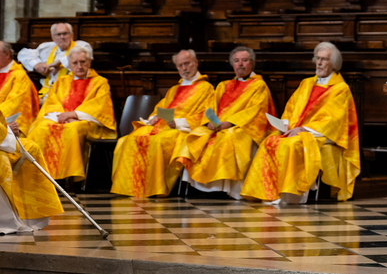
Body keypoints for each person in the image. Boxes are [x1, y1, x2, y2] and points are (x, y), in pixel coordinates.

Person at [242, 42, 360, 204]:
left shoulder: (340, 88)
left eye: (324, 59)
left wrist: (304, 129)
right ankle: (266, 191)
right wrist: (284, 125)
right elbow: (291, 108)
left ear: (334, 63)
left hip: (323, 134)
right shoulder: (306, 83)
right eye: (317, 58)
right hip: (297, 131)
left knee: (292, 145)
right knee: (269, 141)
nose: (319, 63)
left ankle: (289, 193)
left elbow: (334, 120)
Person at [174, 46, 275, 199]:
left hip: (242, 127)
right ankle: (196, 187)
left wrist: (230, 123)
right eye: (236, 61)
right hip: (218, 126)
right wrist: (209, 122)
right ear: (232, 64)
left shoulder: (259, 86)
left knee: (227, 139)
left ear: (252, 63)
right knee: (195, 136)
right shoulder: (223, 85)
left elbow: (257, 111)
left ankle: (224, 189)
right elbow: (211, 107)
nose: (240, 64)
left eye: (244, 60)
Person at [110, 50, 214, 198]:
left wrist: (176, 122)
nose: (184, 68)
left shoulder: (207, 88)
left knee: (158, 142)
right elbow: (161, 108)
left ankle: (155, 187)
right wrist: (153, 118)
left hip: (182, 129)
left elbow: (204, 115)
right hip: (161, 126)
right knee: (129, 139)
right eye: (180, 65)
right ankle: (130, 187)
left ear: (196, 63)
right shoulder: (174, 89)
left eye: (187, 64)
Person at [25, 46, 116, 182]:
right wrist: (62, 117)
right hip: (60, 118)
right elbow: (51, 103)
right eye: (75, 63)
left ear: (89, 62)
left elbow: (100, 106)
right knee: (39, 128)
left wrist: (75, 115)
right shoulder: (61, 81)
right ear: (69, 64)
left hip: (86, 122)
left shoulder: (100, 82)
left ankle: (69, 177)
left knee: (72, 129)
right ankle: (38, 174)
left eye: (83, 62)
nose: (79, 66)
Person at [0, 43, 64, 232]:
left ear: (7, 54)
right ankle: (19, 218)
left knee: (30, 147)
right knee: (16, 154)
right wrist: (6, 131)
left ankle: (27, 216)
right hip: (4, 134)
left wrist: (6, 127)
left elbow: (15, 106)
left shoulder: (19, 76)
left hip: (5, 129)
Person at [17, 23, 92, 105]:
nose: (62, 37)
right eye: (58, 34)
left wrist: (59, 62)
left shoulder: (82, 45)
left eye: (65, 33)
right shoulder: (46, 47)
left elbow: (82, 55)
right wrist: (36, 64)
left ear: (72, 35)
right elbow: (23, 53)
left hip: (69, 92)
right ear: (53, 37)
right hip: (46, 91)